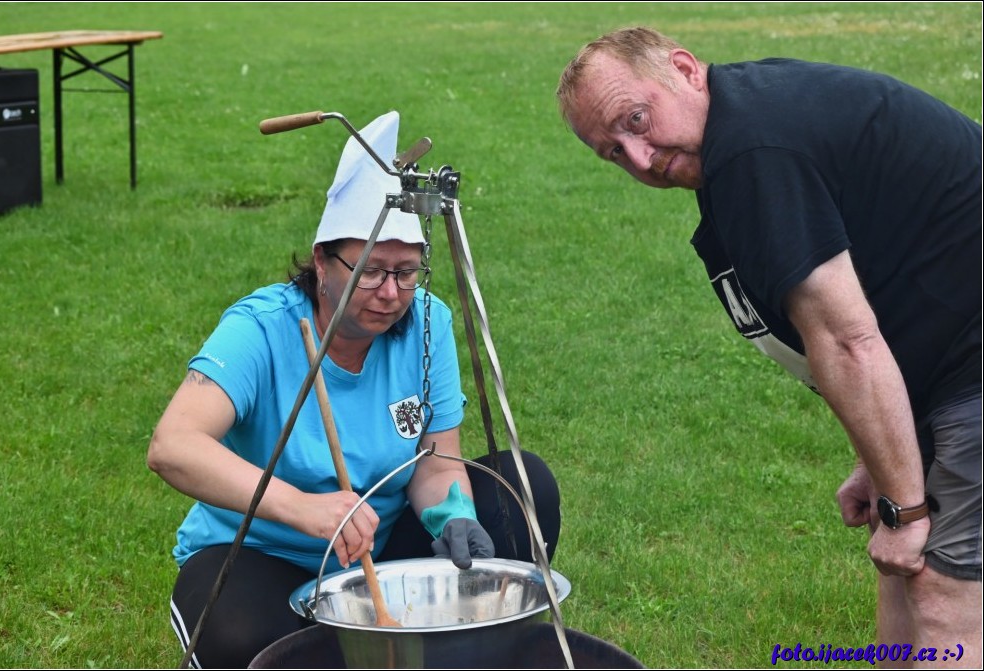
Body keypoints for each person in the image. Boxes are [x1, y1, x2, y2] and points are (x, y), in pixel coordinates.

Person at [557, 26, 981, 666]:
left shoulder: (754, 149)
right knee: (904, 573)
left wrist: (909, 505)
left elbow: (846, 341)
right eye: (612, 152)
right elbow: (872, 296)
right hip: (946, 346)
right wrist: (886, 461)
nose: (639, 159)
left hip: (971, 360)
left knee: (946, 597)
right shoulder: (743, 128)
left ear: (683, 68)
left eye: (636, 121)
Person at [147, 111, 561, 668]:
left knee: (521, 487)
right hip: (258, 552)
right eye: (370, 269)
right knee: (246, 637)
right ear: (322, 261)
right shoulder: (262, 328)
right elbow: (174, 446)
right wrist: (307, 510)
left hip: (378, 550)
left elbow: (436, 463)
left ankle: (456, 653)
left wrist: (453, 516)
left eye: (407, 272)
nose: (391, 293)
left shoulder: (426, 323)